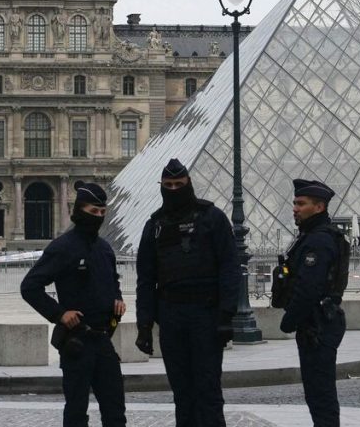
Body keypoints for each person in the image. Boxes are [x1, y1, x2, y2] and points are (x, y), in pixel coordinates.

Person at [134, 158, 241, 427]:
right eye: (168, 185)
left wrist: (227, 315)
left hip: (206, 314)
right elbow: (145, 280)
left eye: (178, 184)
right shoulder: (154, 226)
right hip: (171, 315)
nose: (173, 189)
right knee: (182, 392)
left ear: (189, 183)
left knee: (208, 390)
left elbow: (229, 268)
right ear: (161, 186)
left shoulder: (212, 218)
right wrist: (144, 326)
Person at [20, 183, 126, 427]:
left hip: (103, 340)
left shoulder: (105, 248)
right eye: (93, 211)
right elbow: (29, 287)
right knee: (77, 412)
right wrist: (59, 314)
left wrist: (117, 299)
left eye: (102, 212)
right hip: (77, 342)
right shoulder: (63, 247)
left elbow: (113, 280)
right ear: (79, 211)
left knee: (116, 411)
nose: (98, 217)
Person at [278, 179, 347, 427]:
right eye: (295, 202)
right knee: (318, 393)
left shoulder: (318, 241)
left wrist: (288, 322)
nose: (294, 208)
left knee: (320, 395)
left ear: (319, 207)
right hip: (318, 322)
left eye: (301, 203)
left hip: (318, 325)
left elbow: (309, 287)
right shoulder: (314, 236)